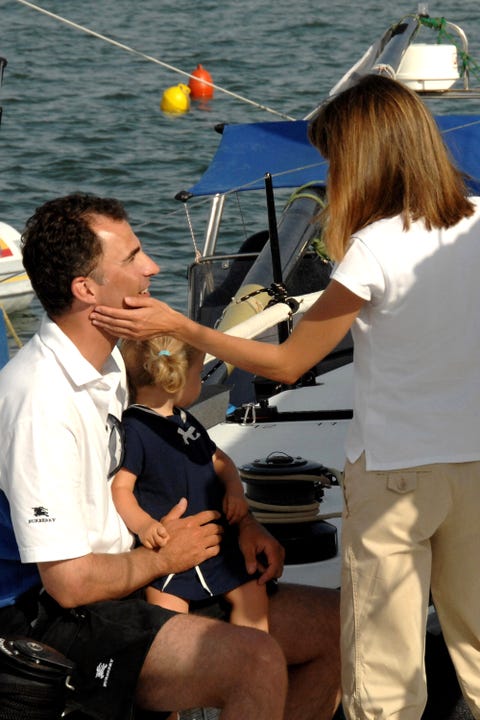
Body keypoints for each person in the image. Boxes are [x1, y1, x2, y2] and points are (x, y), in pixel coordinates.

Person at [91, 73, 480, 720]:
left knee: (385, 677)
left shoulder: (373, 250)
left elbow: (291, 362)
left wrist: (185, 328)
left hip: (395, 475)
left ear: (363, 158)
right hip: (476, 463)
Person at [0, 192, 341, 720]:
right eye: (133, 257)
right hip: (54, 614)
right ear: (86, 288)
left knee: (342, 627)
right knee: (254, 661)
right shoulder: (39, 400)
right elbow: (68, 583)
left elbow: (181, 412)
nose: (152, 267)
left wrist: (244, 522)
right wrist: (164, 559)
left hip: (141, 574)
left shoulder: (111, 360)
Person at [112, 335, 269, 631]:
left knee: (252, 591)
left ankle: (253, 653)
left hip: (215, 543)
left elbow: (221, 461)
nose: (201, 381)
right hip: (171, 548)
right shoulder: (136, 429)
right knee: (169, 620)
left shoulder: (186, 421)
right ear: (175, 379)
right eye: (198, 374)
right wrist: (144, 525)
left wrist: (236, 492)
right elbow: (121, 489)